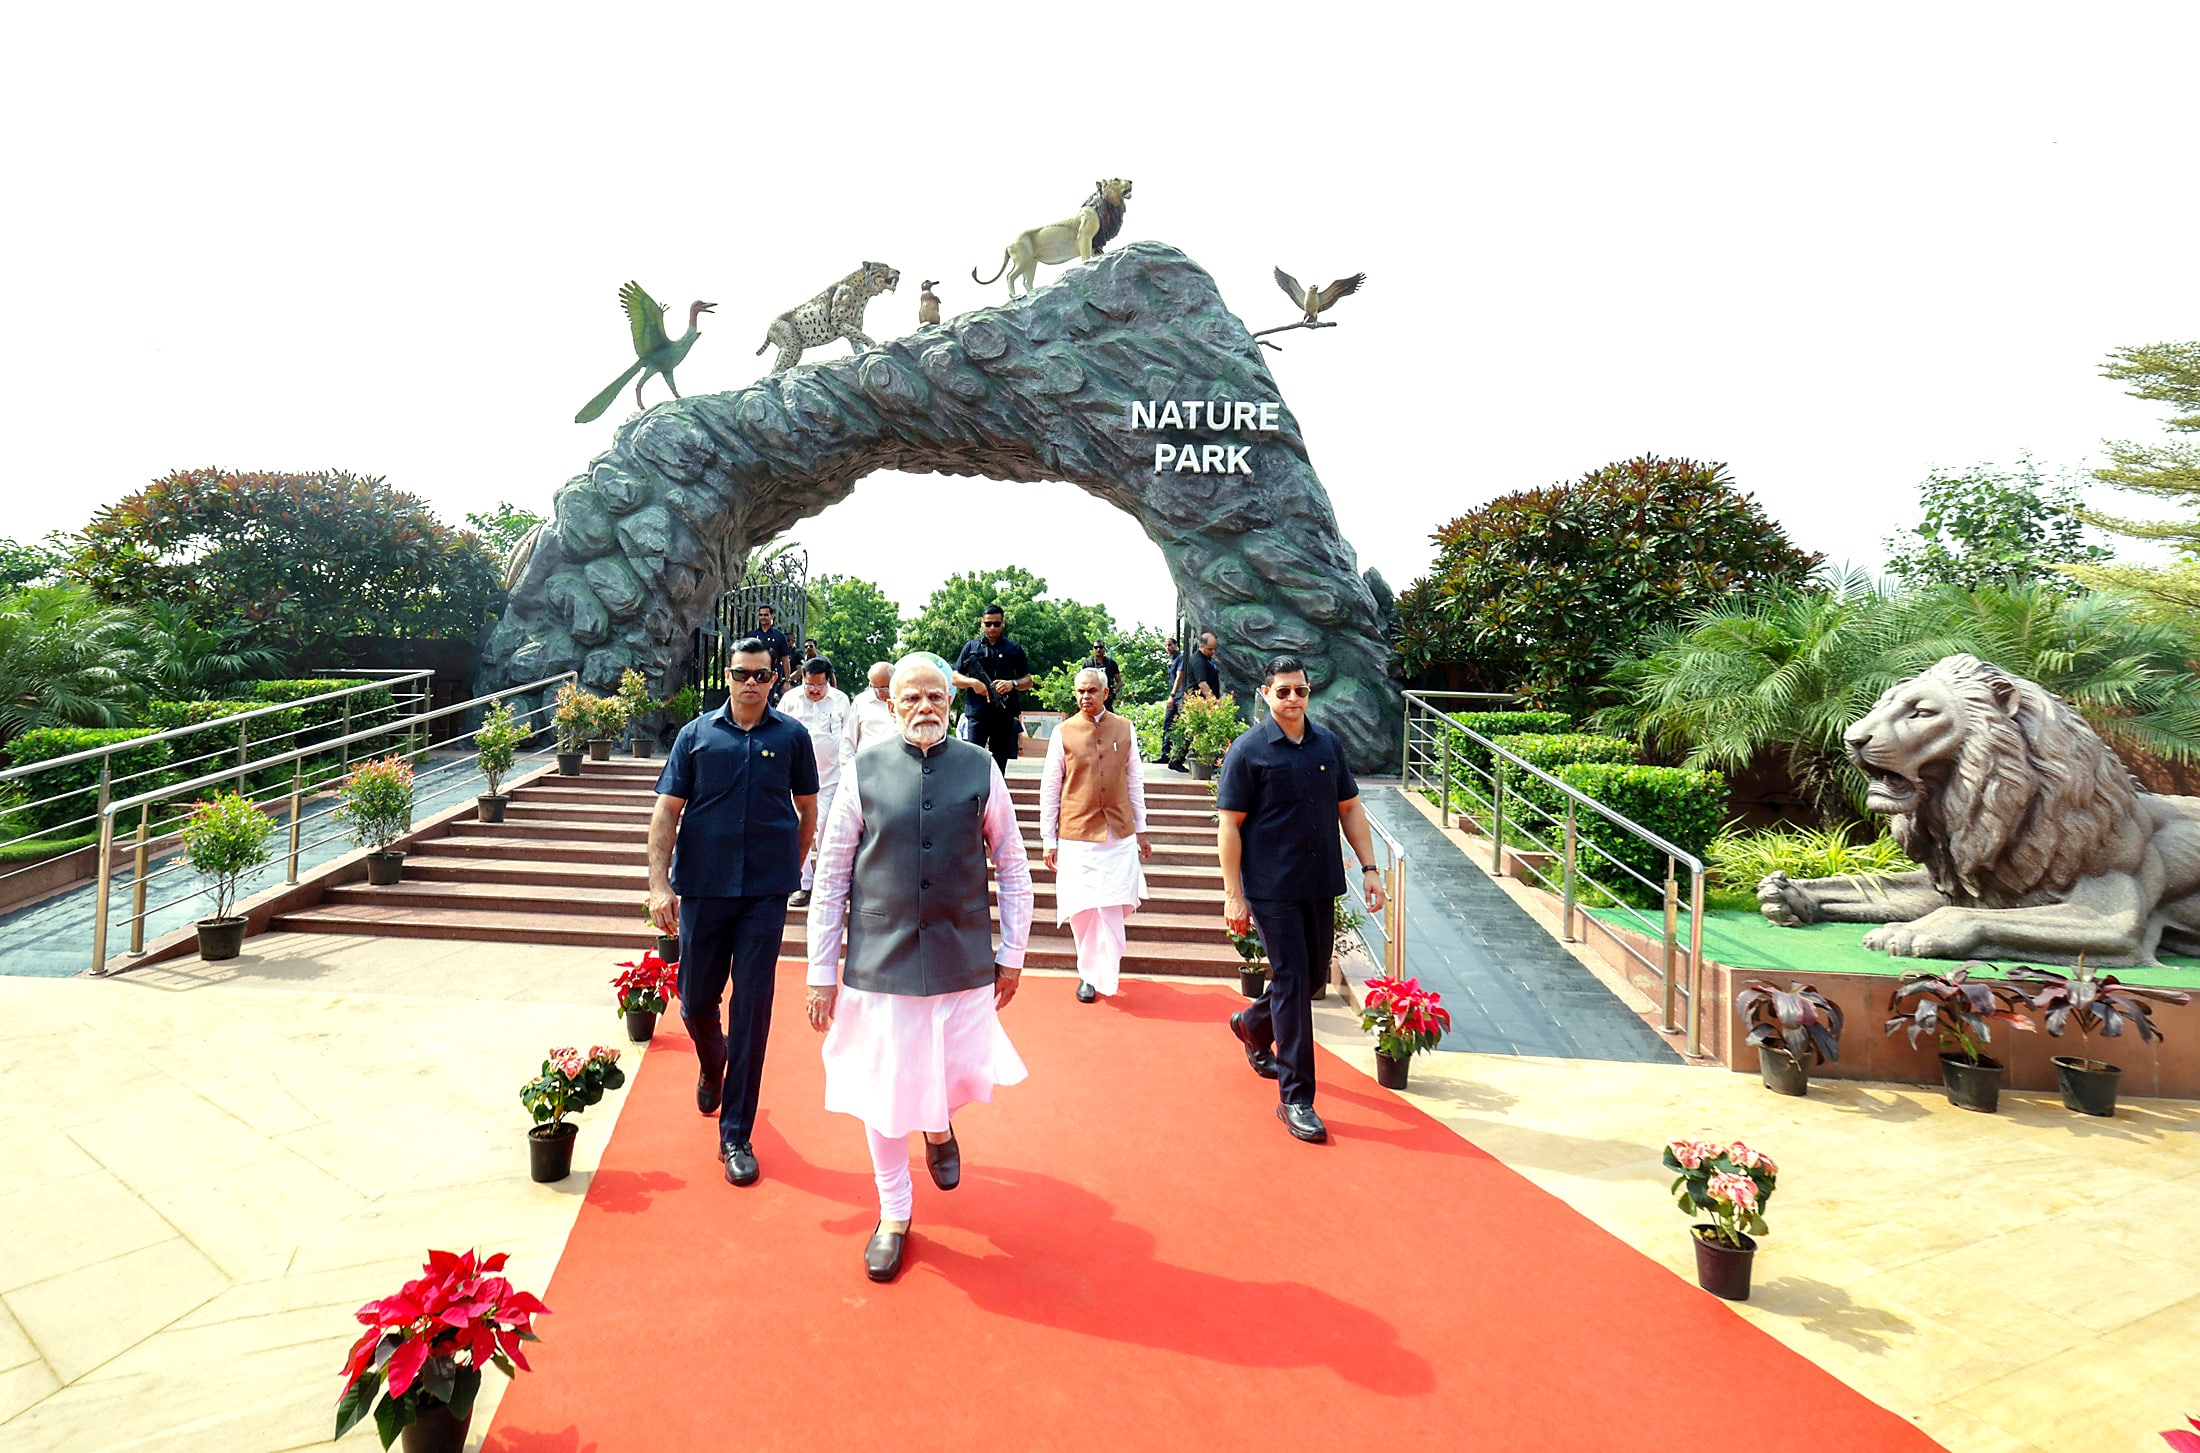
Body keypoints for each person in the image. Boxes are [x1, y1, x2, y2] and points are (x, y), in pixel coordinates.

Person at [805, 653, 1033, 1282]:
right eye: (912, 698)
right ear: (891, 705)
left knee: (944, 1073)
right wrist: (820, 968)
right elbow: (830, 877)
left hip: (962, 958)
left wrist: (1011, 954)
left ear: (950, 701)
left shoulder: (981, 767)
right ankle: (894, 1213)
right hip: (879, 962)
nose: (925, 707)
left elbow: (1011, 863)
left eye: (935, 695)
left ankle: (937, 1129)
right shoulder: (862, 772)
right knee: (885, 1090)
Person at [648, 638, 820, 1185]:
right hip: (703, 889)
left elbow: (808, 811)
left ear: (775, 680)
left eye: (763, 675)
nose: (752, 682)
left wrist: (786, 870)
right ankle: (711, 1060)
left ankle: (737, 1132)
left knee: (752, 1006)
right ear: (728, 675)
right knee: (696, 999)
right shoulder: (695, 736)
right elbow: (666, 813)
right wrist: (659, 885)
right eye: (743, 673)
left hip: (763, 896)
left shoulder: (792, 737)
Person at [1216, 653, 1385, 1145]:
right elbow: (1230, 825)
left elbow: (1349, 808)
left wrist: (1370, 869)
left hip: (1318, 881)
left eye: (1301, 690)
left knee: (1310, 977)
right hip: (1271, 888)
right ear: (1266, 693)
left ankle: (1251, 1023)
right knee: (1292, 979)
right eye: (1283, 690)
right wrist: (1234, 895)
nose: (1293, 699)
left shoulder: (1327, 744)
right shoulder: (1249, 751)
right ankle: (1296, 1097)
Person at [1041, 667, 1152, 1003]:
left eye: (1091, 691)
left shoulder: (1125, 728)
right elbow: (1050, 787)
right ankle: (1087, 975)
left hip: (1118, 834)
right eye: (1079, 692)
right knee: (1084, 908)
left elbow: (1135, 782)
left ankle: (1108, 970)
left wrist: (1142, 830)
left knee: (1112, 906)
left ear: (1105, 693)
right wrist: (1049, 838)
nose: (1084, 697)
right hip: (1077, 834)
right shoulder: (1063, 732)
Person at [779, 658, 850, 909]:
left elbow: (849, 737)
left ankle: (826, 884)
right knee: (799, 830)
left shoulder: (841, 700)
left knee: (827, 831)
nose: (814, 691)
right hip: (796, 780)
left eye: (819, 686)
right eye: (810, 685)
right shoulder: (790, 700)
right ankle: (802, 884)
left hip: (831, 779)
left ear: (828, 680)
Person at [952, 603, 1033, 775]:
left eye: (996, 623)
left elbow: (1028, 680)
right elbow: (955, 677)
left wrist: (1013, 684)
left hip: (1003, 713)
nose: (992, 628)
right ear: (981, 623)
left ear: (1003, 623)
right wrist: (973, 683)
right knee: (973, 758)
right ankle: (973, 798)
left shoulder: (1013, 649)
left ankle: (996, 799)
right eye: (988, 624)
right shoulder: (971, 647)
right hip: (977, 713)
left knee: (999, 763)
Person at [1164, 632, 1223, 772]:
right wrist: (1214, 702)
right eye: (1210, 649)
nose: (1213, 652)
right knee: (1192, 731)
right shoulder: (1198, 661)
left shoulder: (1206, 659)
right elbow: (1202, 684)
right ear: (1202, 646)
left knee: (1201, 731)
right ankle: (1176, 760)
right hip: (1198, 701)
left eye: (1215, 649)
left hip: (1203, 701)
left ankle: (1211, 761)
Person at [842, 660, 898, 759]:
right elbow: (848, 740)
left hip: (896, 763)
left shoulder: (905, 702)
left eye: (885, 688)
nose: (880, 692)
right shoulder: (861, 701)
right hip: (866, 765)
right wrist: (847, 767)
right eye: (875, 687)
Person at [753, 606, 795, 699]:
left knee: (767, 700)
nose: (763, 617)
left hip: (771, 675)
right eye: (760, 615)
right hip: (754, 674)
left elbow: (785, 659)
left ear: (772, 616)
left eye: (765, 615)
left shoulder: (779, 636)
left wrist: (788, 681)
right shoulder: (752, 635)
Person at [1158, 636, 1183, 763]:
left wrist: (1172, 696)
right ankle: (1165, 754)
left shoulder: (1180, 658)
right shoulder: (1171, 660)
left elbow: (1179, 677)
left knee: (1180, 726)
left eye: (1170, 645)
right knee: (1167, 724)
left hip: (1179, 697)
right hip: (1174, 696)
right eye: (1166, 645)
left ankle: (1177, 758)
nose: (1168, 648)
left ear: (1176, 645)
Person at [1086, 640, 1123, 709]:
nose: (1098, 649)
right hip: (1092, 698)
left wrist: (1113, 694)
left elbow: (1120, 682)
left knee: (1108, 718)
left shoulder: (1111, 663)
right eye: (1096, 647)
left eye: (1100, 647)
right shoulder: (1088, 664)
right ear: (1093, 649)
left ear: (1104, 649)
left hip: (1107, 698)